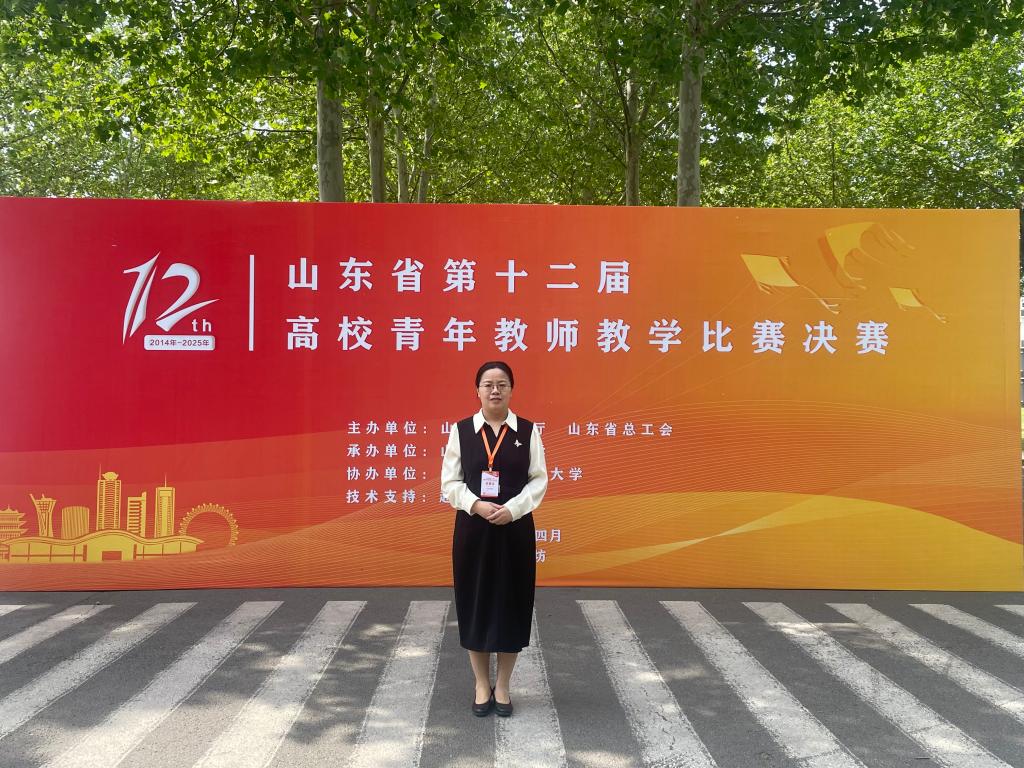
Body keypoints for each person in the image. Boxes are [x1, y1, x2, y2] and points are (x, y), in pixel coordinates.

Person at [440, 360, 548, 717]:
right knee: (476, 604)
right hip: (473, 530)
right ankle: (480, 683)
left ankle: (502, 684)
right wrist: (476, 505)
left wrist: (513, 509)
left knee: (512, 604)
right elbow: (450, 482)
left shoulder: (527, 431)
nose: (495, 390)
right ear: (478, 391)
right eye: (488, 384)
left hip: (514, 531)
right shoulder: (462, 431)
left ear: (511, 390)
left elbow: (539, 479)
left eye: (502, 384)